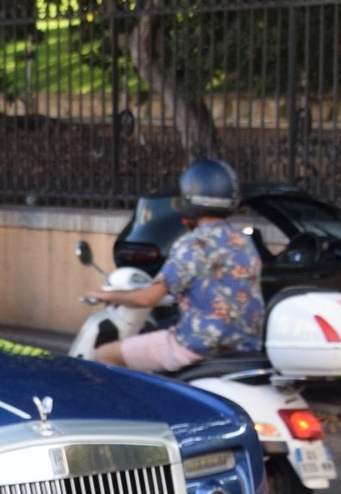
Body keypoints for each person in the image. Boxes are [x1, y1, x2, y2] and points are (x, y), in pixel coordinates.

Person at [91, 158, 263, 372]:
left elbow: (148, 298)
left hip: (198, 344)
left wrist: (109, 296)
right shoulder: (244, 242)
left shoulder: (192, 244)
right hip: (245, 345)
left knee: (104, 355)